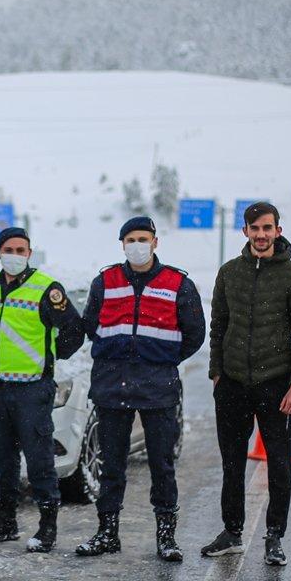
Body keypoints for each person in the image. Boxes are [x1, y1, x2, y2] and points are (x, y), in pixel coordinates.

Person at [75, 216, 205, 561]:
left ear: (155, 242)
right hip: (111, 386)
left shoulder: (178, 284)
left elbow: (195, 335)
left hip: (157, 389)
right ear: (122, 244)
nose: (137, 245)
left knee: (162, 465)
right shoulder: (105, 281)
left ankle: (166, 535)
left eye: (142, 238)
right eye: (130, 239)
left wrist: (161, 359)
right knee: (111, 465)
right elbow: (91, 326)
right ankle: (107, 532)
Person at [201, 202, 291, 567]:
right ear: (245, 231)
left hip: (275, 385)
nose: (261, 235)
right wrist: (217, 374)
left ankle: (274, 536)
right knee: (232, 463)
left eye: (268, 228)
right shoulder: (229, 273)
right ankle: (232, 532)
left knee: (279, 465)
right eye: (255, 228)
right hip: (232, 384)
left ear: (278, 231)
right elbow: (217, 327)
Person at [0, 227, 84, 553]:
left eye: (22, 250)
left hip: (32, 390)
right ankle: (4, 522)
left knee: (39, 461)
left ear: (29, 253)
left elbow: (74, 330)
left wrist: (51, 357)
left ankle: (47, 526)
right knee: (3, 461)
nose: (15, 255)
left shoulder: (47, 289)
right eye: (9, 249)